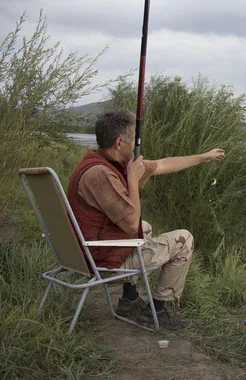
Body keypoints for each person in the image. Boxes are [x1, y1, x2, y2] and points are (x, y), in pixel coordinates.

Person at [67, 108, 225, 330]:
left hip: (86, 249)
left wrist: (203, 157)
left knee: (146, 227)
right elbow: (130, 223)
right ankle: (157, 311)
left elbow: (162, 164)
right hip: (99, 261)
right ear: (119, 143)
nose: (136, 144)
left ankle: (129, 299)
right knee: (184, 240)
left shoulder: (99, 162)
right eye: (134, 138)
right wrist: (132, 180)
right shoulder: (101, 175)